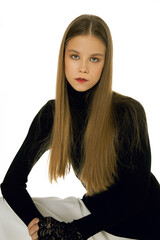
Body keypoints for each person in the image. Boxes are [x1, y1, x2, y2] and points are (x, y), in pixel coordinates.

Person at [0, 14, 160, 240]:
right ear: (63, 58)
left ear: (106, 63)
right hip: (93, 214)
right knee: (1, 210)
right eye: (75, 56)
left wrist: (72, 232)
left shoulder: (129, 112)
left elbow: (134, 196)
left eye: (94, 59)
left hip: (141, 226)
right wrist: (43, 228)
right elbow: (11, 184)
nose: (83, 68)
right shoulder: (53, 114)